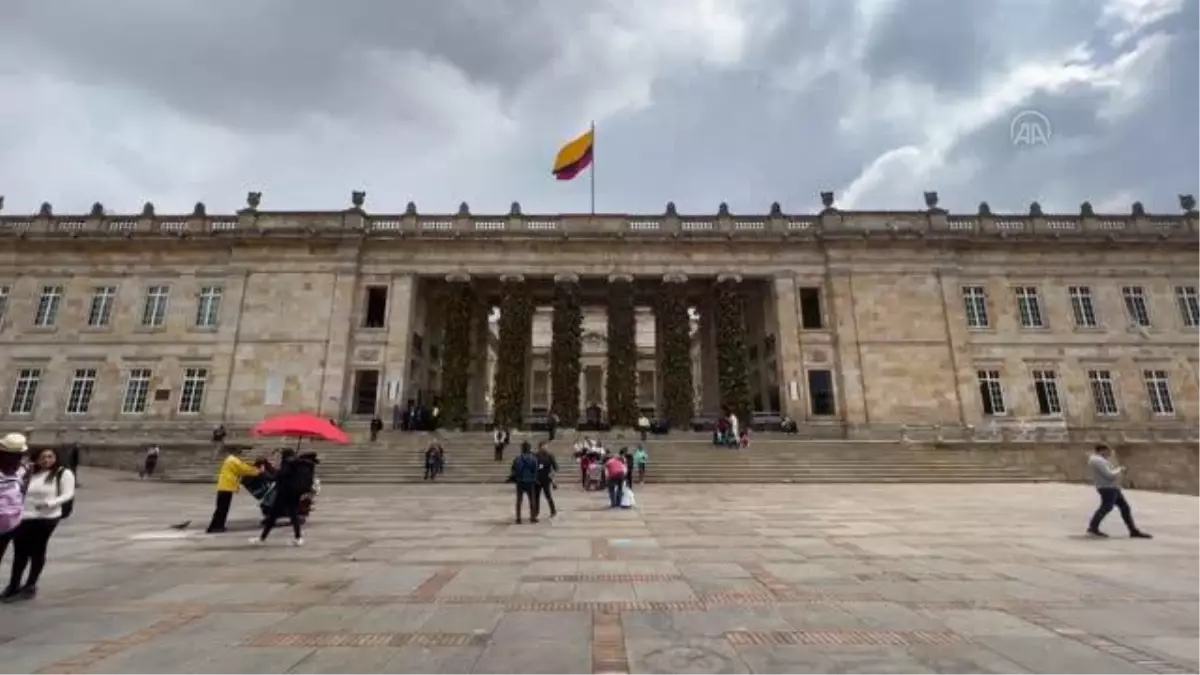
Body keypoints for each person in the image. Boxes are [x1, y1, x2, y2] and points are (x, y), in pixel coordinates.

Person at [3, 447, 75, 602]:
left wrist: (50, 503)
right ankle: (13, 585)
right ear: (36, 458)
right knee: (19, 552)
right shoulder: (29, 471)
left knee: (37, 550)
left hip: (46, 518)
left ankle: (30, 585)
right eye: (43, 457)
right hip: (23, 516)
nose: (46, 460)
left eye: (50, 457)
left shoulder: (62, 473)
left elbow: (68, 494)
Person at [1087, 444, 1152, 539]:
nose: (1109, 454)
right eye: (1108, 451)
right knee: (1106, 507)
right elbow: (1109, 475)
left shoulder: (1099, 460)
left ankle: (1133, 530)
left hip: (1111, 487)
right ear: (1102, 450)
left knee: (1124, 507)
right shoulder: (1098, 461)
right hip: (1108, 488)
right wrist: (1119, 470)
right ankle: (1093, 527)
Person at [252, 449, 315, 546]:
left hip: (284, 494)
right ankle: (298, 538)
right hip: (294, 493)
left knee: (273, 516)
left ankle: (262, 538)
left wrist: (263, 472)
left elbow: (274, 478)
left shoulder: (287, 464)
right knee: (293, 516)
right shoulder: (298, 464)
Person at [206, 448, 260, 534]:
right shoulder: (233, 460)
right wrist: (258, 471)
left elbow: (242, 466)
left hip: (225, 486)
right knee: (222, 509)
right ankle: (215, 527)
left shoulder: (230, 460)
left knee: (222, 508)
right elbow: (243, 469)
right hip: (226, 487)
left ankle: (218, 526)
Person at [0, 433, 30, 568]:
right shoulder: (23, 469)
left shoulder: (23, 469)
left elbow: (22, 492)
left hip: (8, 523)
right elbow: (22, 493)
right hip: (9, 523)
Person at [510, 441, 540, 524]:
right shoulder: (533, 458)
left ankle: (518, 518)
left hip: (520, 481)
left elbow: (513, 470)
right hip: (530, 481)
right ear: (529, 449)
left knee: (519, 500)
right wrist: (534, 478)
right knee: (532, 500)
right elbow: (535, 470)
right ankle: (533, 517)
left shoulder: (518, 458)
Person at [534, 442, 558, 519]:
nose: (545, 447)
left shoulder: (550, 455)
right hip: (537, 478)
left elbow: (555, 467)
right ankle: (536, 512)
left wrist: (552, 478)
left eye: (546, 446)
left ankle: (553, 511)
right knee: (536, 496)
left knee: (548, 495)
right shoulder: (535, 455)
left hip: (546, 478)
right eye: (543, 446)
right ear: (540, 447)